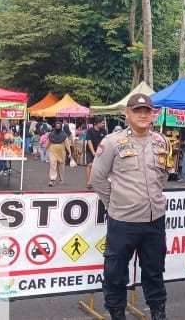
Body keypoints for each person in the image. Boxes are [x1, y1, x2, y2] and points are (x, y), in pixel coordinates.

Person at [91, 93, 171, 320]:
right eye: (137, 111)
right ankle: (117, 314)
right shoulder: (112, 142)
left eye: (147, 111)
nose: (143, 115)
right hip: (123, 221)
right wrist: (115, 203)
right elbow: (97, 178)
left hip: (154, 220)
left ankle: (158, 313)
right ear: (127, 114)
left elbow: (163, 175)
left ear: (153, 114)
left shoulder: (161, 141)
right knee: (115, 273)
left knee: (155, 271)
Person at [46, 122, 72, 186]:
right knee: (52, 165)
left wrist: (70, 152)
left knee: (61, 167)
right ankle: (52, 179)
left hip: (61, 153)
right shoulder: (51, 134)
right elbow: (48, 142)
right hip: (52, 152)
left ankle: (61, 179)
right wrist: (45, 149)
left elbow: (67, 144)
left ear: (61, 127)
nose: (57, 127)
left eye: (59, 126)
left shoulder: (64, 135)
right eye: (56, 126)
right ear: (55, 127)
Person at [85, 116, 108, 190]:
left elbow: (105, 141)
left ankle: (99, 182)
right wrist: (93, 152)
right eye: (102, 123)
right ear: (97, 123)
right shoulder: (90, 130)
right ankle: (89, 182)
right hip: (90, 149)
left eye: (104, 123)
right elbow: (89, 141)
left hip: (100, 150)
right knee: (90, 165)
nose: (103, 124)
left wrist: (101, 151)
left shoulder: (104, 131)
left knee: (100, 167)